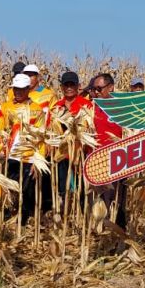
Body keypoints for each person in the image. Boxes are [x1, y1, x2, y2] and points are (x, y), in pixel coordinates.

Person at [0, 73, 51, 221]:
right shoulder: (6, 107)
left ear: (28, 89)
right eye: (15, 89)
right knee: (7, 191)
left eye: (21, 89)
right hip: (10, 157)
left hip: (28, 158)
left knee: (26, 193)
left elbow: (41, 138)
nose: (18, 92)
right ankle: (6, 221)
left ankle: (23, 222)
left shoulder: (37, 110)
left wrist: (38, 160)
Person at [90, 72, 127, 229]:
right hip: (99, 162)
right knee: (102, 200)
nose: (96, 92)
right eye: (94, 89)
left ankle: (118, 233)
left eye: (99, 88)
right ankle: (103, 233)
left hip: (119, 160)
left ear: (111, 87)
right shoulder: (93, 108)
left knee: (118, 201)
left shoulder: (122, 107)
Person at [52, 70, 91, 204]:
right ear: (62, 87)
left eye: (72, 85)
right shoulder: (57, 107)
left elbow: (91, 128)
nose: (69, 88)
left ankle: (81, 216)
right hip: (62, 154)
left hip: (80, 153)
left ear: (78, 86)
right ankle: (65, 215)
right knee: (63, 189)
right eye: (66, 85)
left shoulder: (86, 105)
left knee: (81, 188)